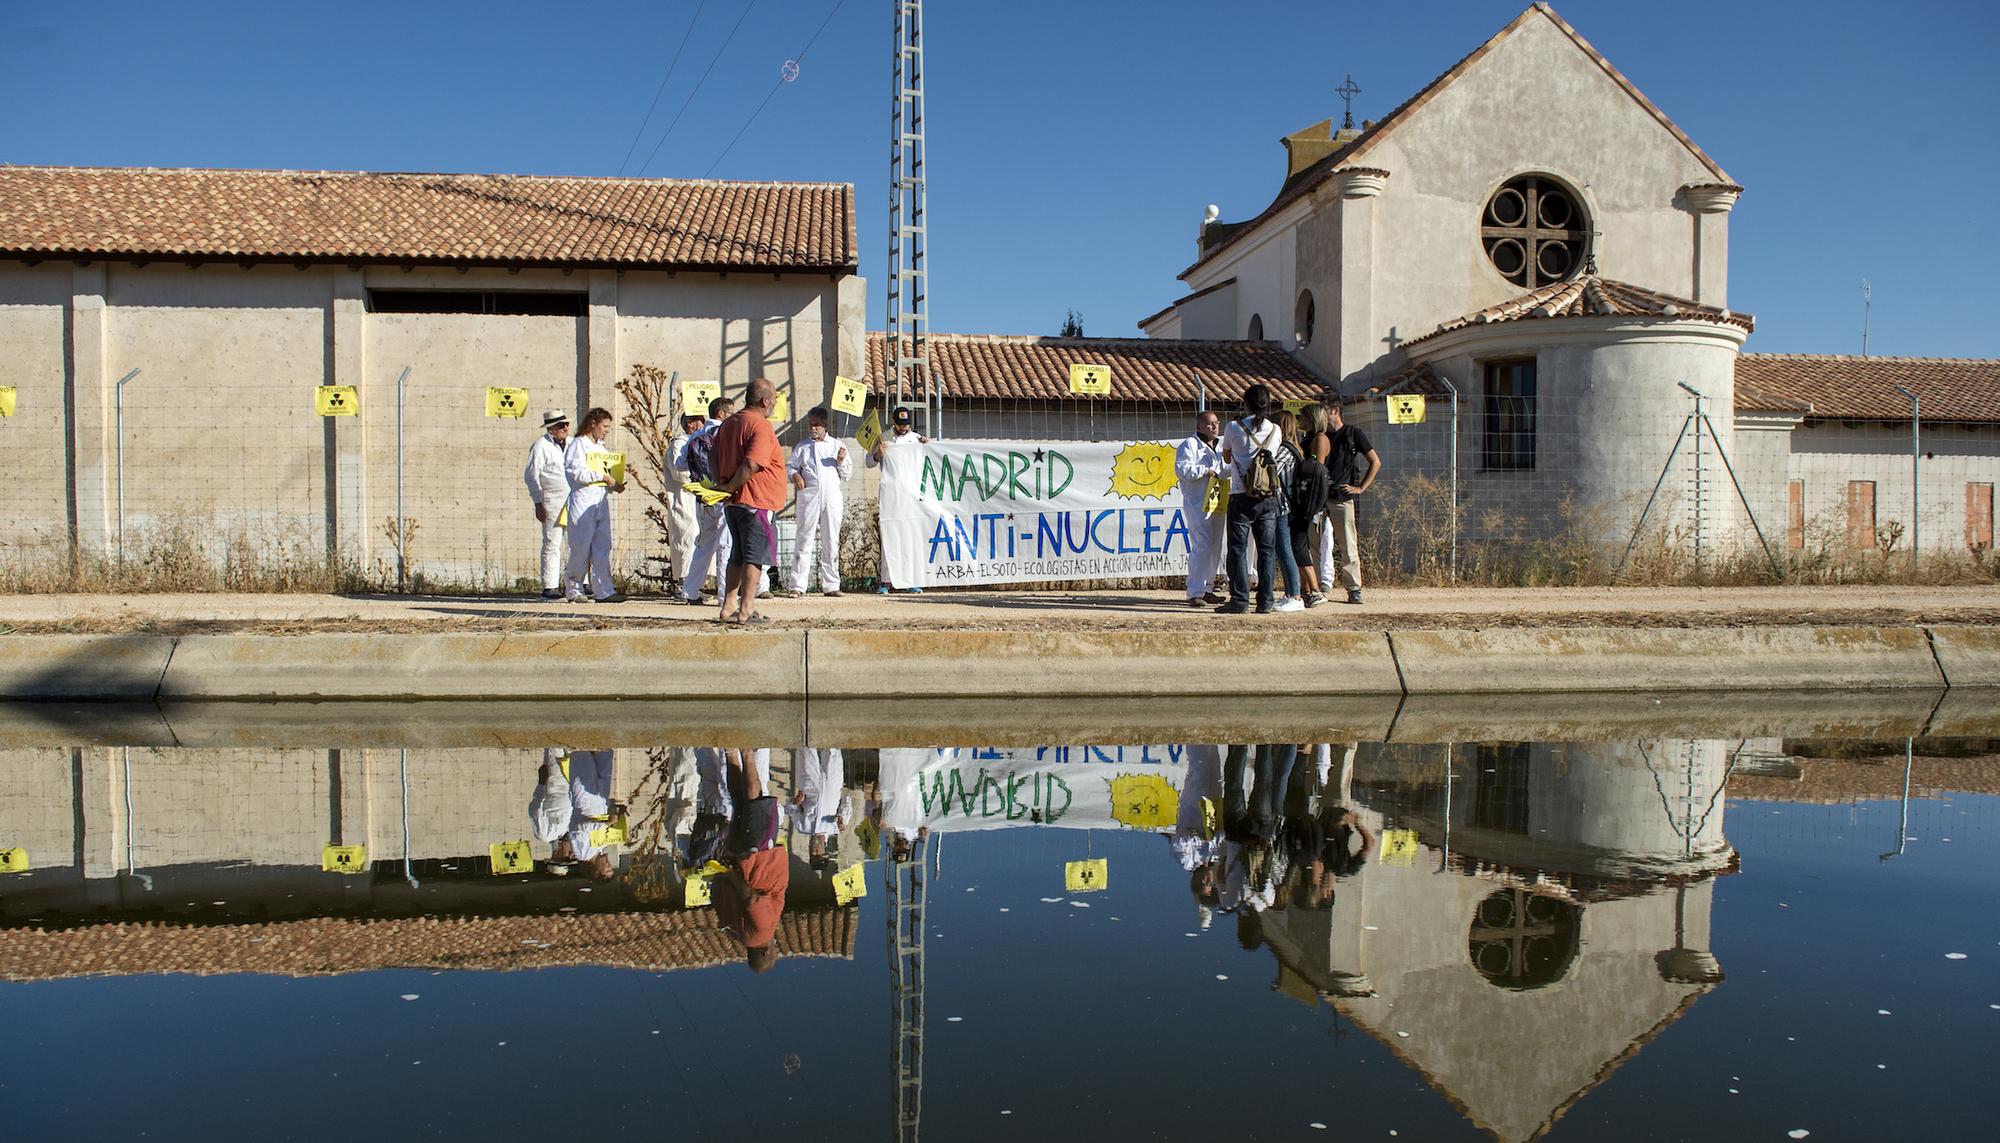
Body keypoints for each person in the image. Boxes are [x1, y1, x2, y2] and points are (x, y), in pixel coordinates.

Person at [711, 378, 786, 625]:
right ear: (765, 401)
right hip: (756, 499)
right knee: (754, 556)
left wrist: (722, 484)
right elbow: (752, 463)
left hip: (733, 502)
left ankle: (728, 605)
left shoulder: (729, 423)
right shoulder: (760, 425)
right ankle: (746, 608)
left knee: (738, 553)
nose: (775, 403)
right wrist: (732, 485)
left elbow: (712, 454)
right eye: (774, 398)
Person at [712, 747, 789, 973]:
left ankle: (746, 752)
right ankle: (731, 753)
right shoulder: (734, 931)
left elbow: (752, 900)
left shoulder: (763, 932)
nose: (778, 950)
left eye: (775, 954)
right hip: (737, 856)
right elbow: (718, 895)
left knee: (755, 803)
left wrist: (733, 876)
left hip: (758, 862)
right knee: (739, 802)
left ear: (766, 953)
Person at [1219, 385, 1284, 614]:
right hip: (1268, 496)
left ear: (1245, 403)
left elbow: (1227, 457)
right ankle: (1266, 601)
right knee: (1266, 550)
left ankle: (1240, 600)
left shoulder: (1234, 427)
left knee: (1237, 548)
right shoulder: (1276, 430)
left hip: (1241, 494)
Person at [781, 407, 853, 597]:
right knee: (804, 538)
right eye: (810, 425)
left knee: (831, 539)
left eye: (816, 425)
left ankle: (831, 584)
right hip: (809, 496)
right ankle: (797, 585)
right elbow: (790, 467)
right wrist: (795, 475)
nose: (813, 429)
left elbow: (847, 475)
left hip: (831, 497)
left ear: (825, 425)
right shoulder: (802, 446)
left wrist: (841, 461)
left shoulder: (837, 445)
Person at [562, 407, 628, 603]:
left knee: (602, 545)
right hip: (583, 500)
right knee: (581, 545)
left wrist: (614, 485)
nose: (607, 430)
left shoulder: (600, 448)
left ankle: (604, 590)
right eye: (604, 426)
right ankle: (574, 588)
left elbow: (606, 473)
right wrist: (602, 476)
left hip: (600, 500)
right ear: (593, 424)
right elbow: (577, 472)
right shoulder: (578, 445)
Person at [1324, 399, 1382, 605]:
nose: (1322, 416)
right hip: (1320, 498)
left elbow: (1375, 461)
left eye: (1324, 410)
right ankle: (1317, 586)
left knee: (1348, 543)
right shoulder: (1319, 436)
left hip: (1342, 497)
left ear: (1335, 411)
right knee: (1317, 543)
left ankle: (1354, 588)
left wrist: (1360, 488)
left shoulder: (1353, 433)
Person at [867, 405, 930, 594]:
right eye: (900, 424)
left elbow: (930, 457)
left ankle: (910, 580)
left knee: (910, 536)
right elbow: (868, 461)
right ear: (893, 422)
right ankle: (886, 581)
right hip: (890, 494)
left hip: (910, 494)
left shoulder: (916, 439)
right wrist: (879, 453)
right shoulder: (883, 437)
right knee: (889, 536)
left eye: (906, 424)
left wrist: (928, 445)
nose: (904, 428)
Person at [681, 396, 736, 605]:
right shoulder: (726, 433)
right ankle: (725, 596)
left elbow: (680, 464)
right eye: (731, 413)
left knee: (704, 545)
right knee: (725, 545)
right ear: (721, 414)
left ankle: (690, 591)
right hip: (723, 495)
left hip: (703, 497)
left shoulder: (696, 435)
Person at [1174, 412, 1228, 607]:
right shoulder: (1190, 445)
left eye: (1216, 423)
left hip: (1217, 500)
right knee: (1202, 545)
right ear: (1199, 427)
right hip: (1198, 502)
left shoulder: (1221, 447)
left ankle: (1208, 588)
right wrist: (1205, 471)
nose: (1214, 427)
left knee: (1216, 545)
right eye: (1209, 424)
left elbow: (1227, 469)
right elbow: (1182, 470)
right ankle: (1194, 591)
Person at [522, 411, 573, 600]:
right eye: (561, 426)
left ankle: (576, 584)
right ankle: (550, 586)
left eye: (566, 424)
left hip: (574, 499)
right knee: (552, 542)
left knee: (576, 543)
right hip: (552, 500)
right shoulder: (541, 446)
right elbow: (531, 475)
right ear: (551, 429)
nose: (565, 428)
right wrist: (538, 502)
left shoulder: (573, 443)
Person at [1284, 411, 1331, 608]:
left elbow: (1316, 471)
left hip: (1308, 501)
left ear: (1312, 418)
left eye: (1302, 416)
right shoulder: (1308, 438)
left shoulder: (1320, 439)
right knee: (1299, 543)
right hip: (1301, 499)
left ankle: (1315, 590)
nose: (1299, 420)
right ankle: (1304, 590)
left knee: (1299, 544)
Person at [664, 409, 706, 597]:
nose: (702, 425)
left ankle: (694, 585)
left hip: (697, 498)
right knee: (685, 538)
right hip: (683, 499)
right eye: (699, 421)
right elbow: (679, 472)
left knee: (696, 539)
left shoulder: (697, 443)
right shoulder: (679, 444)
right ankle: (682, 583)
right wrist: (700, 473)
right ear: (690, 423)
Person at [1270, 411, 1306, 613]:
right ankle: (1289, 592)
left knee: (1285, 550)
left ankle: (1295, 595)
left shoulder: (1284, 450)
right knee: (1282, 549)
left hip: (1282, 506)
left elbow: (1270, 469)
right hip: (1284, 505)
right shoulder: (1294, 448)